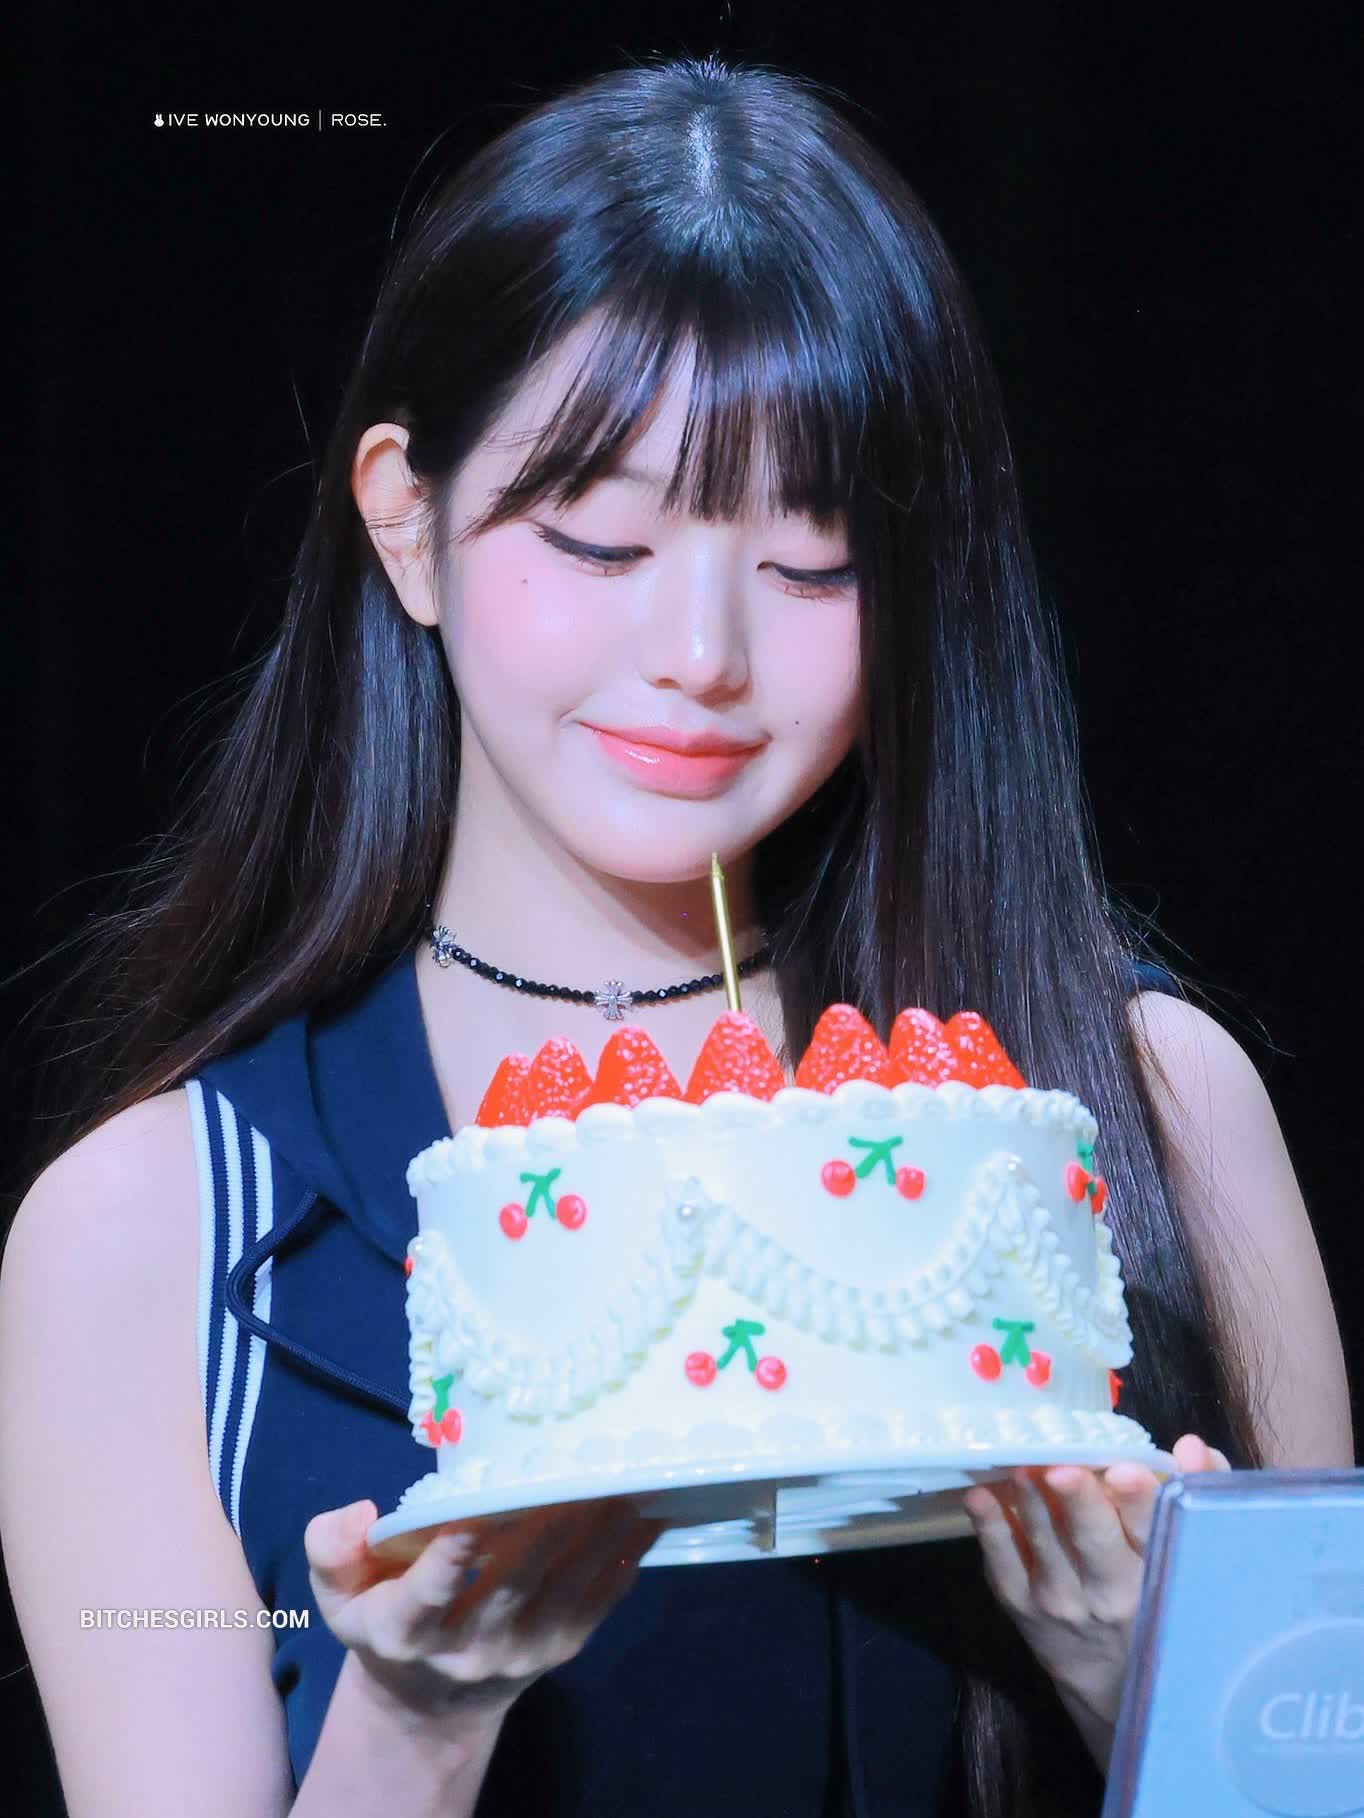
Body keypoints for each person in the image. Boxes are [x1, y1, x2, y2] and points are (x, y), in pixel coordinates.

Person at [0, 50, 1352, 1818]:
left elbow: (1309, 1768)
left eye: (814, 562)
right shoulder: (150, 1231)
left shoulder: (1151, 1103)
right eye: (601, 540)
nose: (704, 655)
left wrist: (1152, 1695)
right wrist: (414, 1720)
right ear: (406, 517)